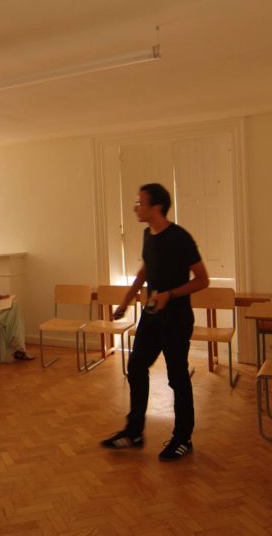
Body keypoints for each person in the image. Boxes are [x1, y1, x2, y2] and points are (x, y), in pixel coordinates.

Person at [100, 183, 209, 462]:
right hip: (151, 315)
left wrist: (170, 295)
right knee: (136, 367)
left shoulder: (180, 237)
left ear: (157, 206)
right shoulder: (148, 234)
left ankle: (183, 438)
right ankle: (134, 432)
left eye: (141, 203)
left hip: (176, 318)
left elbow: (202, 279)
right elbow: (147, 268)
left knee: (177, 378)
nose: (137, 208)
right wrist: (126, 300)